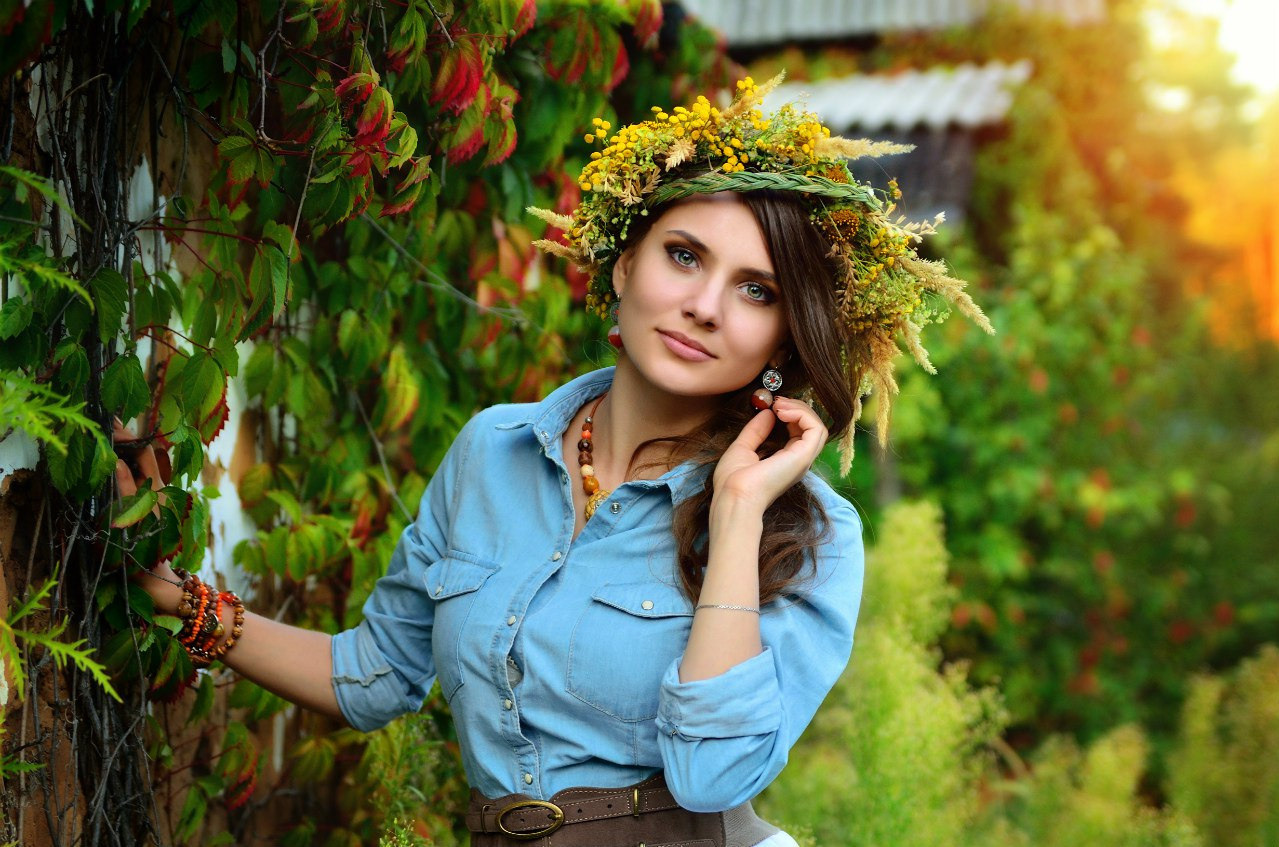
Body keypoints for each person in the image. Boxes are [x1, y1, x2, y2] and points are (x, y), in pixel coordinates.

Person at [115, 74, 990, 846]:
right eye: (683, 256)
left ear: (783, 331)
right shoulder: (492, 451)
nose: (704, 307)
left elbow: (714, 778)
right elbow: (375, 676)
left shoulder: (808, 527)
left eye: (755, 290)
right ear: (622, 264)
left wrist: (733, 515)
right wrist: (180, 600)